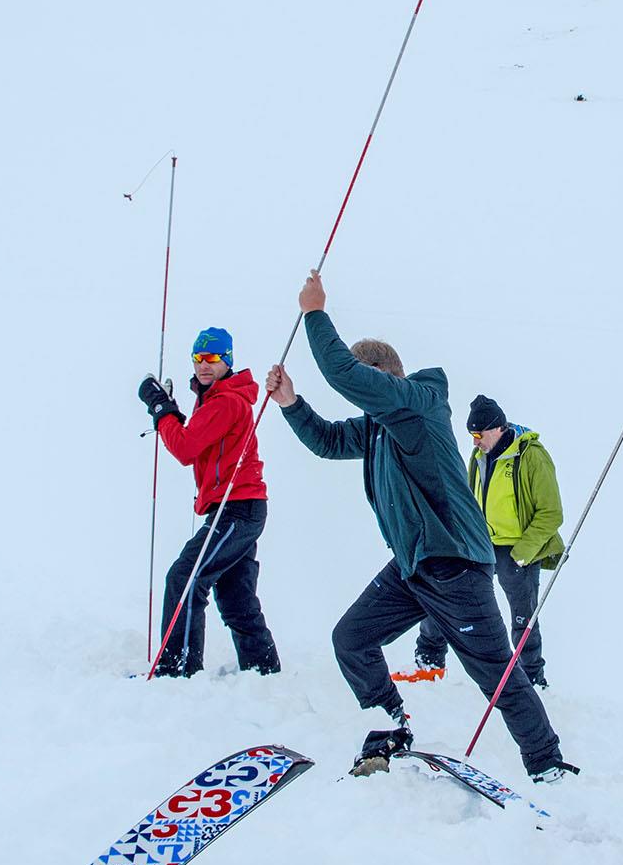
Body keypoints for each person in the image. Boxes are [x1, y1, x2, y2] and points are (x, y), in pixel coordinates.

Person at [265, 272, 576, 783]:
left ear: (385, 379)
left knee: (496, 675)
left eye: (369, 388)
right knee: (351, 640)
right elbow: (326, 441)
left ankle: (547, 765)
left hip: (456, 566)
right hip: (413, 567)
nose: (361, 402)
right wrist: (291, 403)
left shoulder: (420, 402)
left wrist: (315, 313)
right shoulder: (378, 428)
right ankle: (390, 730)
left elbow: (346, 373)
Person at [137, 327, 280, 678]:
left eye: (212, 358)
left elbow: (185, 448)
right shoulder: (218, 400)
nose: (204, 365)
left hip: (236, 508)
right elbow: (197, 441)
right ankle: (263, 671)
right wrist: (170, 412)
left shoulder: (225, 401)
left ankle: (177, 670)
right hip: (239, 508)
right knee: (235, 597)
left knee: (185, 578)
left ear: (226, 360)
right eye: (198, 358)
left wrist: (161, 410)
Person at [402, 395, 564, 688]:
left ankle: (532, 680)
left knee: (522, 617)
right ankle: (429, 662)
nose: (475, 442)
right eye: (471, 436)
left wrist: (522, 553)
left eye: (478, 435)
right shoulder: (478, 458)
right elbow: (466, 500)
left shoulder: (530, 456)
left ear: (497, 427)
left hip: (518, 549)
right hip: (479, 544)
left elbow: (551, 513)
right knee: (445, 592)